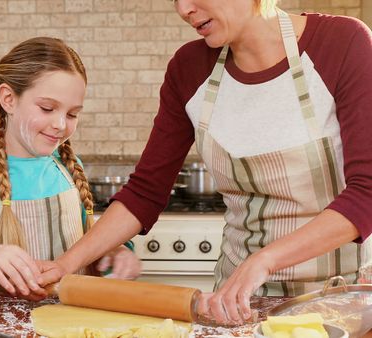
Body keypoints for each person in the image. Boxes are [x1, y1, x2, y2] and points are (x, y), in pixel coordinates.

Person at [38, 0, 372, 325]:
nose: (183, 9)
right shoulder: (189, 68)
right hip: (235, 304)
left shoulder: (343, 43)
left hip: (341, 300)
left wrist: (266, 259)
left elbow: (366, 193)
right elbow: (144, 193)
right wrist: (66, 264)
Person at [0, 37, 141, 298]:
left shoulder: (68, 168)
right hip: (0, 327)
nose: (61, 124)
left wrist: (117, 251)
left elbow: (92, 243)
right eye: (47, 108)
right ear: (8, 98)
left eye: (73, 114)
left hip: (75, 324)